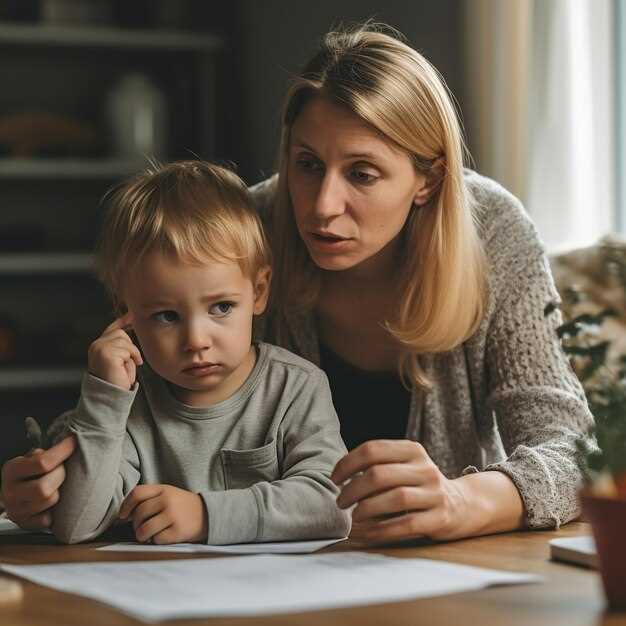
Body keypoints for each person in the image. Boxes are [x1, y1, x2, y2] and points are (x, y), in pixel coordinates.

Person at [2, 23, 593, 546]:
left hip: (453, 569)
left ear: (428, 179)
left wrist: (463, 502)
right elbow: (142, 378)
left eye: (361, 173)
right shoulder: (250, 229)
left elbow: (576, 455)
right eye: (306, 164)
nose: (321, 206)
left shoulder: (492, 233)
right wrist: (55, 471)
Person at [47, 160, 350, 544]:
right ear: (126, 313)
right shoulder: (127, 401)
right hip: (156, 595)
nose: (196, 340)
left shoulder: (296, 387)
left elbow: (334, 506)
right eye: (166, 316)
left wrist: (205, 515)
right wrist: (104, 399)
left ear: (258, 292)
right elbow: (75, 526)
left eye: (221, 307)